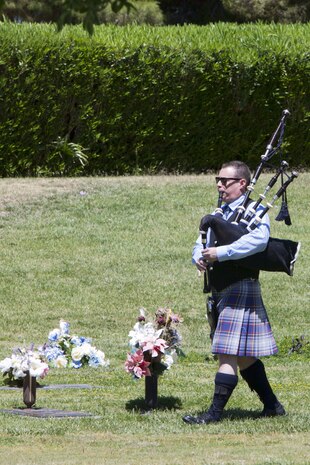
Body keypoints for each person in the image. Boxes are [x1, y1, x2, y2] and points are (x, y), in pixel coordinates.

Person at [183, 160, 285, 425]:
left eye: (225, 181)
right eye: (217, 180)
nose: (219, 185)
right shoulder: (220, 212)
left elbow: (258, 241)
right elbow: (201, 239)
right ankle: (273, 406)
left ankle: (214, 414)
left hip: (241, 286)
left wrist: (221, 253)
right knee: (244, 357)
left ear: (242, 183)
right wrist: (200, 256)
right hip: (220, 287)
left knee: (227, 352)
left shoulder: (255, 211)